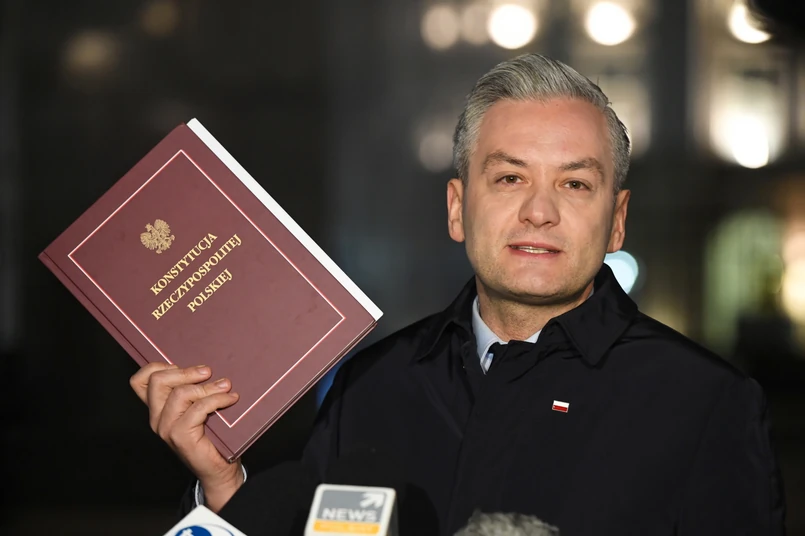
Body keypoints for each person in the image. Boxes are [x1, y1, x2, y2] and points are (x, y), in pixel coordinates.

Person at [130, 54, 786, 535]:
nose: (539, 212)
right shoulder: (370, 386)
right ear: (456, 207)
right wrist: (225, 486)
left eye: (574, 185)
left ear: (616, 220)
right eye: (509, 179)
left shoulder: (705, 403)